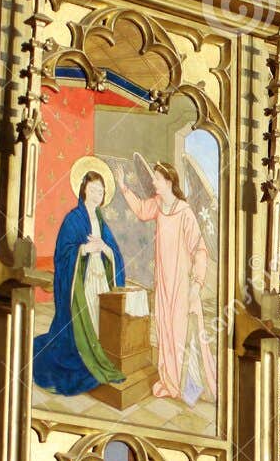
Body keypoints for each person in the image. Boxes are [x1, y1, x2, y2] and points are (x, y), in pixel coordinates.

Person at [119, 159, 217, 404]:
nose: (153, 182)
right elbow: (141, 210)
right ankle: (170, 381)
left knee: (181, 331)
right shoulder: (157, 204)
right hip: (162, 280)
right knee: (165, 328)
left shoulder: (184, 212)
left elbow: (200, 250)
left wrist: (196, 285)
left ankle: (187, 383)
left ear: (169, 182)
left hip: (183, 283)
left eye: (157, 179)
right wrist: (123, 188)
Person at [33, 161, 128, 395]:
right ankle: (82, 357)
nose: (97, 194)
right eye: (93, 189)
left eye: (101, 191)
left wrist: (103, 247)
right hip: (81, 281)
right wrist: (84, 249)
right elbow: (63, 253)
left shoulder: (101, 221)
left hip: (99, 278)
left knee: (97, 317)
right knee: (83, 318)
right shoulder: (73, 219)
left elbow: (114, 253)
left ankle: (94, 353)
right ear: (84, 189)